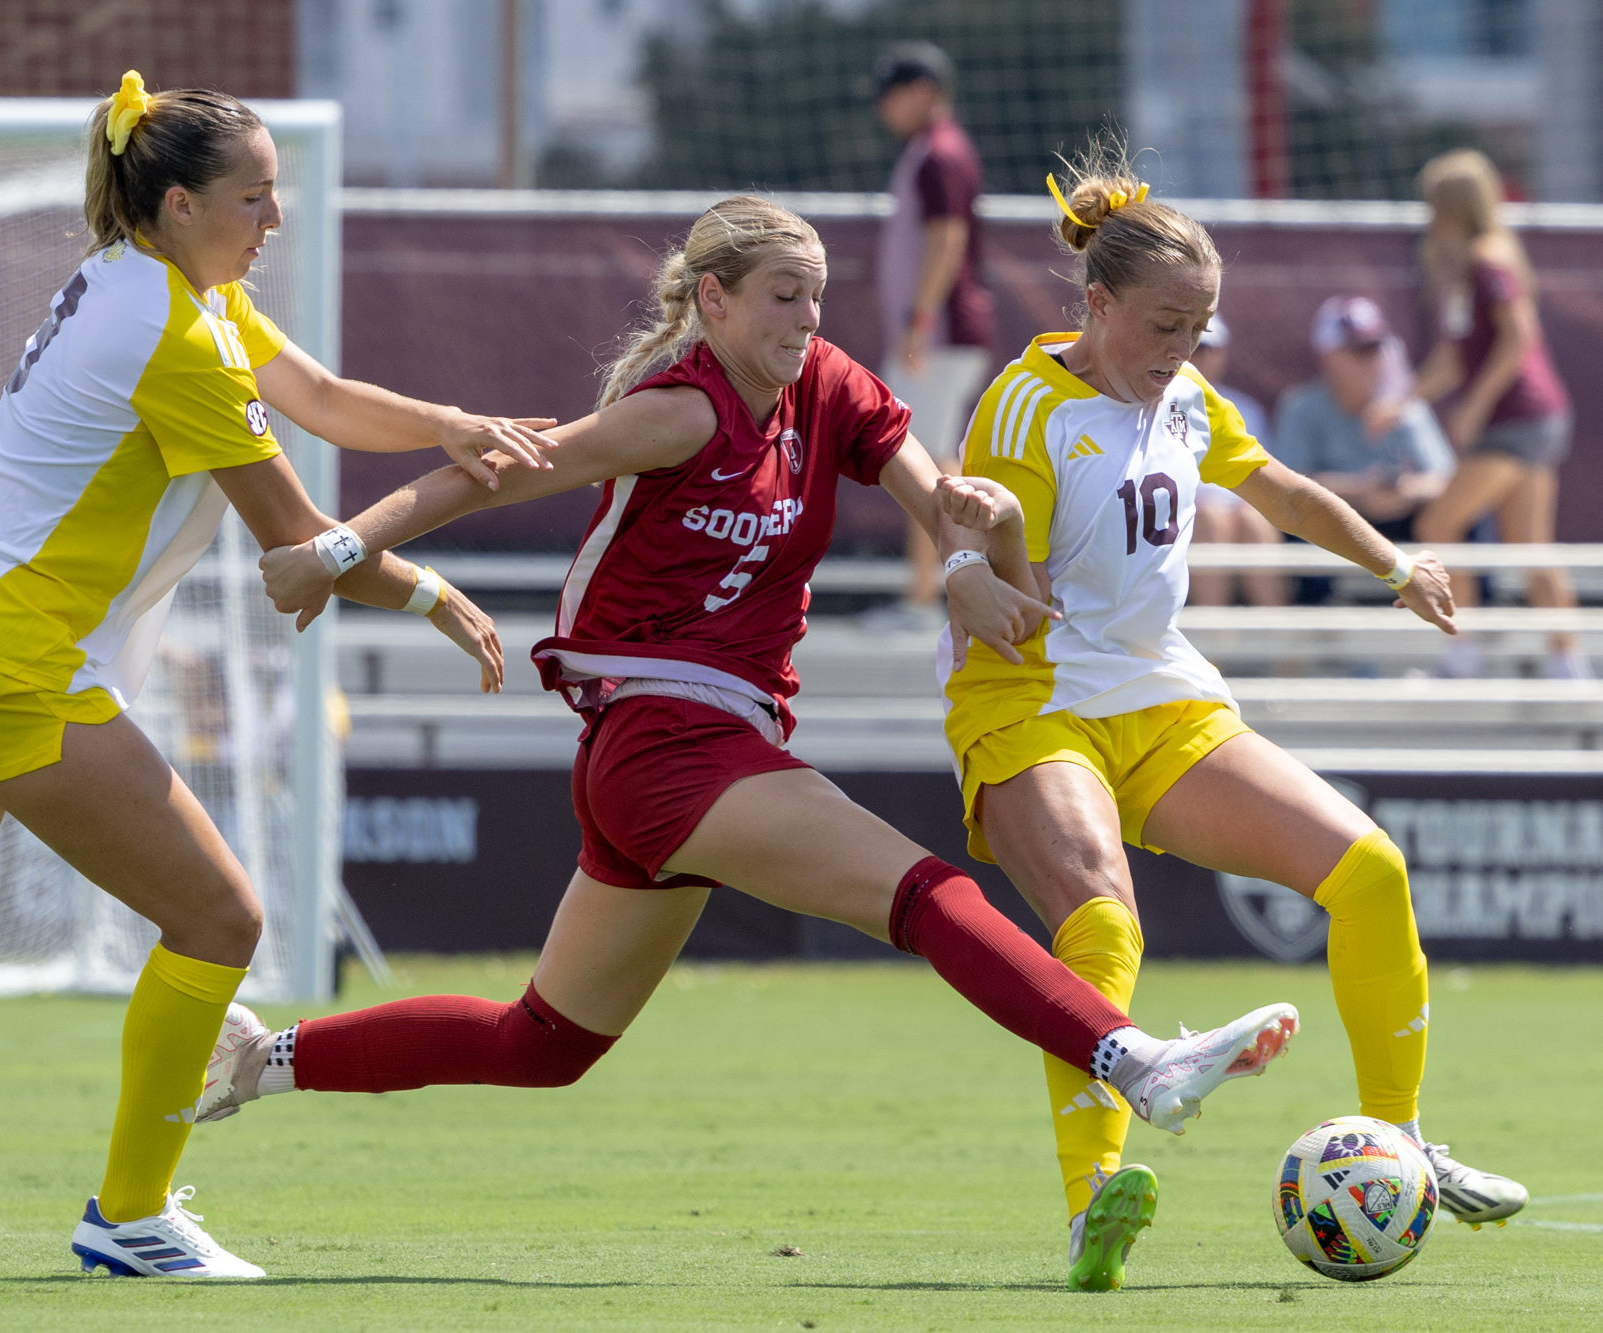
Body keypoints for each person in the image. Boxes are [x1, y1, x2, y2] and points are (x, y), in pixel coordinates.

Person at [218, 196, 1302, 1295]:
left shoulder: (825, 382)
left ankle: (263, 1059)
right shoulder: (679, 412)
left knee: (540, 1043)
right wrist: (337, 547)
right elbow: (503, 469)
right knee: (929, 894)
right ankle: (1134, 1061)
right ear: (714, 301)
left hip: (685, 752)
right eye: (783, 295)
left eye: (818, 293)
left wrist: (968, 567)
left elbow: (932, 497)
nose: (806, 314)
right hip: (662, 736)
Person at [0, 71, 559, 1279]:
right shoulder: (179, 334)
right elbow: (298, 550)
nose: (272, 220)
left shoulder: (149, 283)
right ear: (179, 204)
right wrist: (437, 588)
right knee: (221, 916)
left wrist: (447, 420)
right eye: (254, 197)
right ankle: (130, 1215)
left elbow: (325, 399)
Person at [940, 156, 1529, 1289]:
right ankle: (1089, 1206)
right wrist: (977, 574)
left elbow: (1284, 492)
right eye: (1163, 322)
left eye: (1199, 328)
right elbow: (964, 536)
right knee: (1103, 929)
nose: (1180, 348)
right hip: (1030, 705)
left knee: (1368, 871)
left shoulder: (1187, 400)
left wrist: (1394, 566)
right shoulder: (1024, 404)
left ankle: (1397, 1150)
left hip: (1162, 699)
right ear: (1095, 304)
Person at [1400, 149, 1583, 678]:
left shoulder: (1486, 259)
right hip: (1532, 417)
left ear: (1452, 206)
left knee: (1440, 520)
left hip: (1517, 418)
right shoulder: (1477, 261)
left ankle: (1463, 649)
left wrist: (1475, 406)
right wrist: (1403, 400)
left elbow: (1519, 337)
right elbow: (1457, 355)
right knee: (1529, 547)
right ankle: (1568, 664)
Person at [865, 41, 994, 629]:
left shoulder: (940, 153)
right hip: (937, 334)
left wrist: (917, 322)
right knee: (934, 458)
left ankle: (929, 600)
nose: (883, 110)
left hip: (938, 336)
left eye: (890, 96)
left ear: (922, 92)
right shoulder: (933, 150)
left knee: (924, 463)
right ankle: (932, 594)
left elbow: (946, 241)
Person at [1274, 297, 1457, 606]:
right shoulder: (1301, 408)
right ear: (1329, 357)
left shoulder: (1406, 409)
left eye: (1377, 349)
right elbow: (1285, 484)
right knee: (1304, 516)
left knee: (1461, 512)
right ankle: (1318, 613)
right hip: (1336, 524)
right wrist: (1359, 491)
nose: (1373, 361)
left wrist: (1406, 491)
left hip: (1403, 519)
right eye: (1360, 351)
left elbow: (1447, 478)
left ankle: (1471, 610)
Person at [1187, 314, 1286, 607]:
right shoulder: (1154, 405)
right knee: (1208, 518)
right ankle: (1215, 634)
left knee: (1251, 519)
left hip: (1236, 507)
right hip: (1182, 512)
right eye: (1196, 348)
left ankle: (1280, 638)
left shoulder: (1244, 409)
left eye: (1208, 349)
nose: (1201, 357)